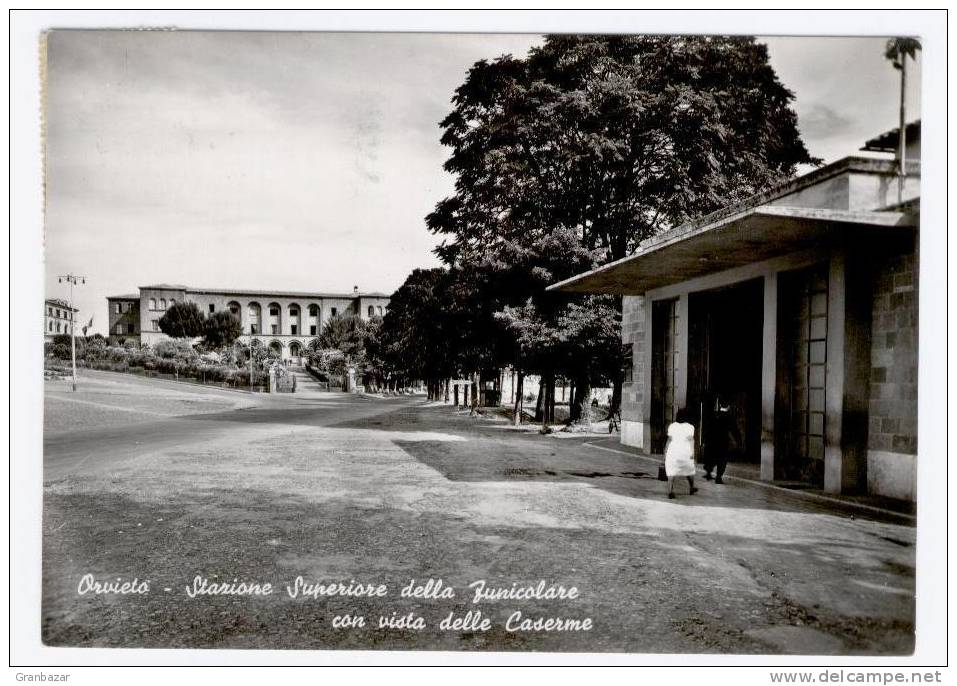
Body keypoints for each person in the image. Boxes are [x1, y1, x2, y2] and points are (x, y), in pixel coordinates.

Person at [703, 394, 741, 484]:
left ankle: (708, 472)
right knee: (722, 460)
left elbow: (707, 428)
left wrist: (705, 439)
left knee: (711, 457)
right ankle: (718, 477)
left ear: (720, 405)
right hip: (723, 441)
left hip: (712, 441)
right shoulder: (730, 417)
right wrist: (738, 440)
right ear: (728, 406)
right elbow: (734, 430)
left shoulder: (714, 415)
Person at [664, 407, 698, 499]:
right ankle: (691, 487)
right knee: (689, 470)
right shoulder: (690, 427)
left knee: (671, 472)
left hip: (673, 451)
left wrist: (665, 451)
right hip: (685, 451)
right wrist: (693, 453)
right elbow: (691, 441)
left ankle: (670, 491)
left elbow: (669, 440)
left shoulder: (672, 426)